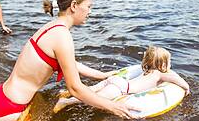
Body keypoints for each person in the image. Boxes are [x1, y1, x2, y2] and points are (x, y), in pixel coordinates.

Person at [0, 0, 139, 121]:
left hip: (3, 96)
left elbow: (71, 64)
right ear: (74, 6)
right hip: (10, 110)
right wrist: (113, 107)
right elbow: (75, 88)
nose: (90, 12)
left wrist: (102, 75)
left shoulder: (53, 27)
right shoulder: (62, 35)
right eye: (88, 6)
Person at [53, 46, 190, 113]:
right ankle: (67, 101)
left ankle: (67, 92)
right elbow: (178, 80)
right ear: (164, 64)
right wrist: (186, 88)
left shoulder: (147, 69)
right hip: (120, 89)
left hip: (116, 80)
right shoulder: (161, 74)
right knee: (92, 98)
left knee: (91, 90)